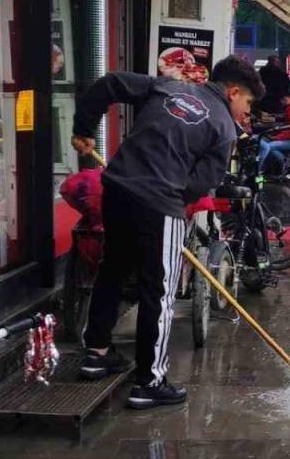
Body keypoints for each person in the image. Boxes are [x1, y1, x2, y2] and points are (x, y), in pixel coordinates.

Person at [70, 56, 263, 410]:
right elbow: (201, 183)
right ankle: (150, 381)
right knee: (157, 292)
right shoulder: (223, 127)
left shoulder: (168, 86)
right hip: (159, 204)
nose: (244, 110)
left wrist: (83, 127)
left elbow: (110, 82)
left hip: (116, 187)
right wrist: (172, 197)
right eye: (247, 102)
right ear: (233, 91)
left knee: (112, 271)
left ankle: (95, 354)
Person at [258, 95, 290, 173]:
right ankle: (285, 162)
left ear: (286, 99)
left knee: (267, 146)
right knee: (272, 149)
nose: (281, 104)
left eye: (281, 102)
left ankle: (259, 170)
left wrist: (277, 137)